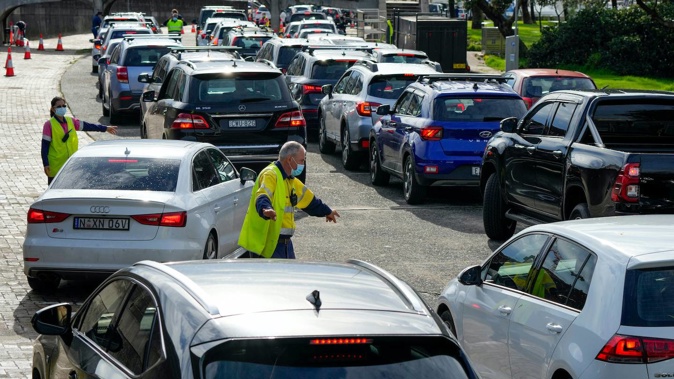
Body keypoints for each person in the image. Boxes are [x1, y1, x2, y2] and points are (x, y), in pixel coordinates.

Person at [238, 141, 340, 259]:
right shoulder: (270, 174)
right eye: (302, 160)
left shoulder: (289, 180)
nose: (303, 164)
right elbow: (262, 194)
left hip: (284, 244)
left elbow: (309, 201)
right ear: (290, 159)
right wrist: (265, 209)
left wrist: (327, 211)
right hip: (268, 244)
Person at [41, 96, 118, 185]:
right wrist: (46, 164)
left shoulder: (71, 121)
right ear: (53, 109)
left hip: (71, 165)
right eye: (59, 106)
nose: (62, 108)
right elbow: (44, 146)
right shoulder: (49, 125)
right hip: (56, 166)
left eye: (63, 106)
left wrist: (104, 128)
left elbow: (87, 126)